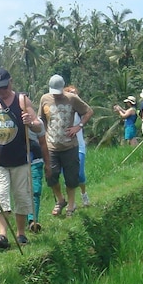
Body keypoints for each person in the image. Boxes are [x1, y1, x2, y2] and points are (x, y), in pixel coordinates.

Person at [0, 68, 44, 249]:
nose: (2, 91)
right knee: (0, 194)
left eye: (4, 86)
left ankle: (21, 233)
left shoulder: (22, 101)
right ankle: (2, 235)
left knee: (21, 195)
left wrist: (30, 122)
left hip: (20, 158)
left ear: (11, 81)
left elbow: (38, 127)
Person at [37, 75, 93, 217]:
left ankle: (71, 205)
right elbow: (42, 119)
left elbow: (88, 111)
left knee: (71, 177)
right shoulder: (45, 99)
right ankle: (60, 200)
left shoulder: (72, 98)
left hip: (70, 146)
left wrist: (78, 126)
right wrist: (42, 136)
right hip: (51, 147)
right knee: (51, 175)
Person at [64, 85, 90, 207]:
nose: (74, 95)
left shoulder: (79, 109)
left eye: (76, 93)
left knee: (79, 174)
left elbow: (88, 112)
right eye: (71, 93)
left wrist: (79, 125)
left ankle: (84, 194)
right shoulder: (63, 110)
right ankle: (71, 202)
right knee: (69, 175)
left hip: (79, 145)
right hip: (66, 147)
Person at [26, 128, 49, 232]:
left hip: (35, 160)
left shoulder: (35, 122)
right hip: (17, 162)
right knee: (22, 193)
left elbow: (43, 143)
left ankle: (32, 220)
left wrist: (47, 164)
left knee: (35, 191)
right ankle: (23, 223)